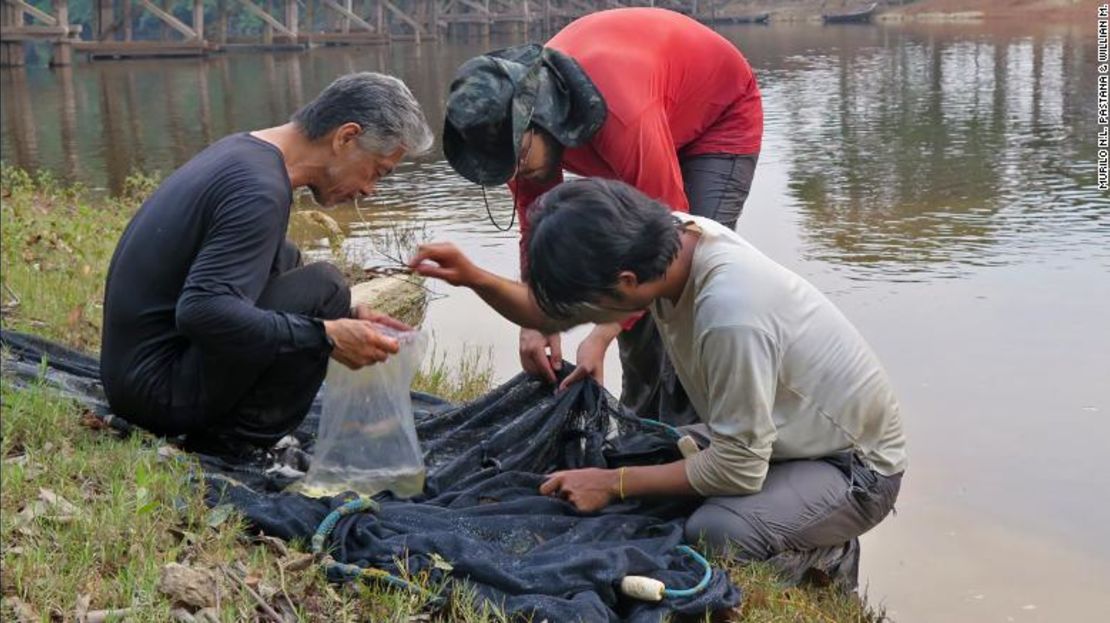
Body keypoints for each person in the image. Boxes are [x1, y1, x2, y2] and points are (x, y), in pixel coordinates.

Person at [409, 178, 906, 568]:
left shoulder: (730, 314)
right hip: (779, 436)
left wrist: (614, 484)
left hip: (851, 467)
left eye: (593, 305)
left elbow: (739, 468)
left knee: (715, 532)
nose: (581, 316)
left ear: (626, 281)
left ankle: (819, 549)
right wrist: (474, 277)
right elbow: (550, 315)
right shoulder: (668, 238)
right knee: (625, 454)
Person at [443, 7, 763, 425]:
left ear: (541, 120)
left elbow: (668, 239)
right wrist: (535, 318)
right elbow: (537, 227)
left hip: (716, 117)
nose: (514, 174)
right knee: (627, 287)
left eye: (518, 160)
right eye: (503, 168)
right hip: (645, 115)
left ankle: (699, 434)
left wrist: (601, 334)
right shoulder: (514, 140)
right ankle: (642, 425)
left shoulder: (622, 117)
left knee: (685, 280)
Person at [100, 72, 434, 454]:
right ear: (346, 137)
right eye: (377, 171)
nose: (369, 190)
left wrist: (350, 315)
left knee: (289, 257)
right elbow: (200, 311)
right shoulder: (258, 190)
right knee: (325, 289)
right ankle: (237, 441)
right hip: (157, 395)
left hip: (132, 377)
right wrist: (324, 333)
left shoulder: (246, 152)